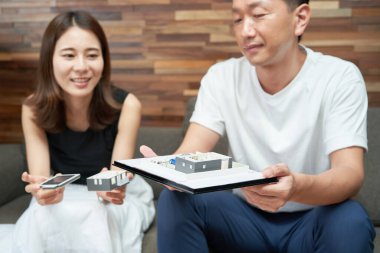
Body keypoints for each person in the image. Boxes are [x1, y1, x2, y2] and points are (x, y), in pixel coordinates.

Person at [140, 0, 376, 252]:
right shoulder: (222, 77)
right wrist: (167, 170)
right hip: (243, 221)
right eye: (238, 19)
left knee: (350, 220)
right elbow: (191, 149)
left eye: (258, 15)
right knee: (176, 199)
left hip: (313, 218)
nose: (245, 31)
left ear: (300, 19)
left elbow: (350, 174)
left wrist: (297, 187)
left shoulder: (339, 77)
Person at [9, 11, 154, 253]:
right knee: (43, 215)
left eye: (92, 56)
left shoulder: (128, 105)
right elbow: (43, 180)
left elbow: (116, 184)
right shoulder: (33, 108)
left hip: (112, 200)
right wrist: (43, 193)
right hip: (66, 194)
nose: (81, 67)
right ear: (49, 60)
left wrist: (113, 190)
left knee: (97, 213)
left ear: (104, 60)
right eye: (68, 55)